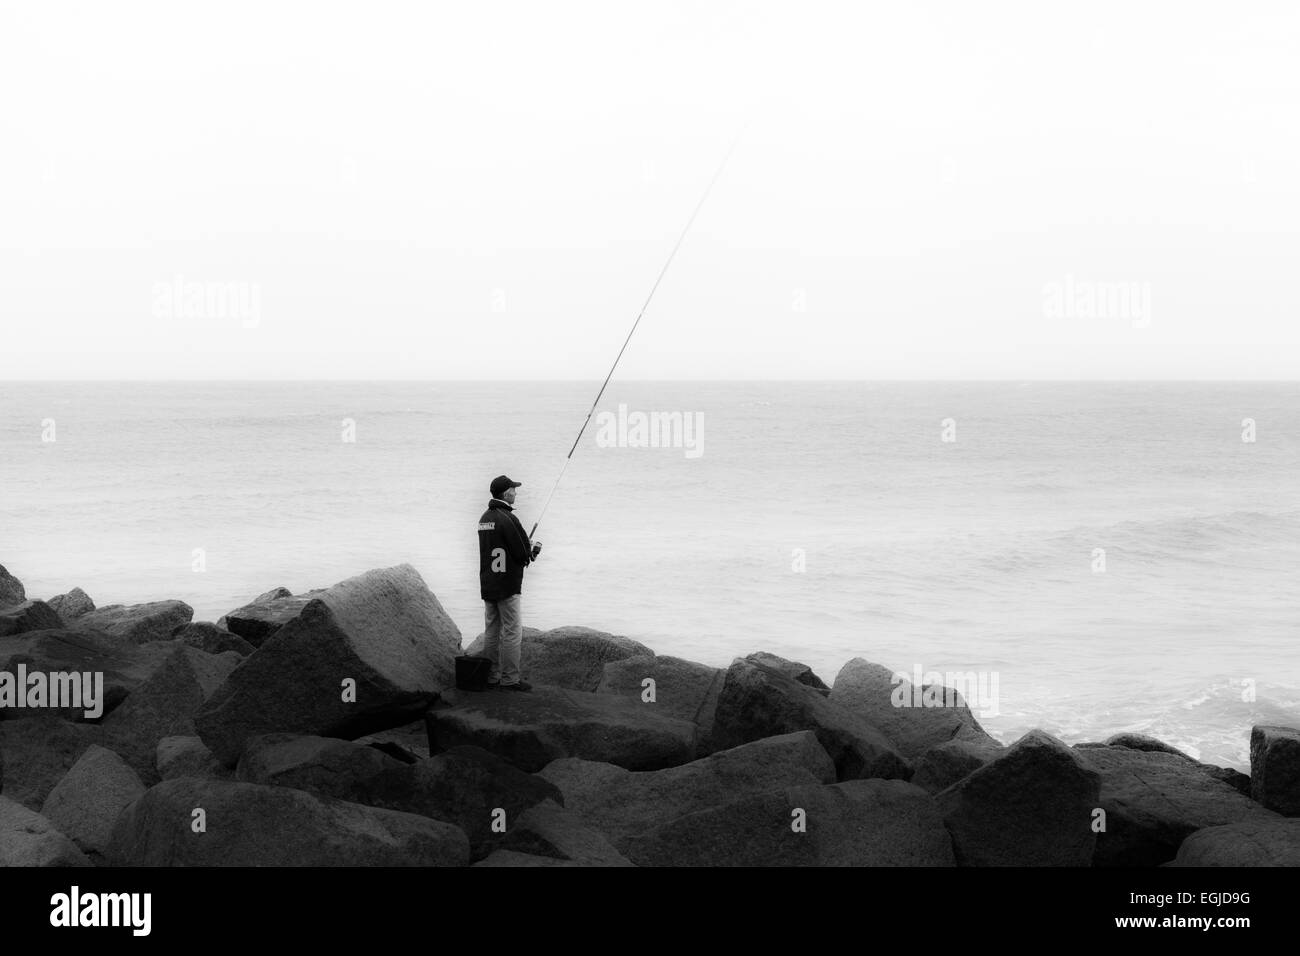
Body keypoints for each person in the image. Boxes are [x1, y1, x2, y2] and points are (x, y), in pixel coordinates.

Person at [477, 475, 542, 691]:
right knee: (513, 632)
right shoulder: (509, 519)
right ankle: (510, 679)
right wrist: (530, 549)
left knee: (492, 632)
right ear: (506, 494)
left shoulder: (484, 518)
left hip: (488, 584)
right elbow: (523, 555)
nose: (516, 492)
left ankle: (491, 676)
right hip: (507, 586)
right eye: (514, 489)